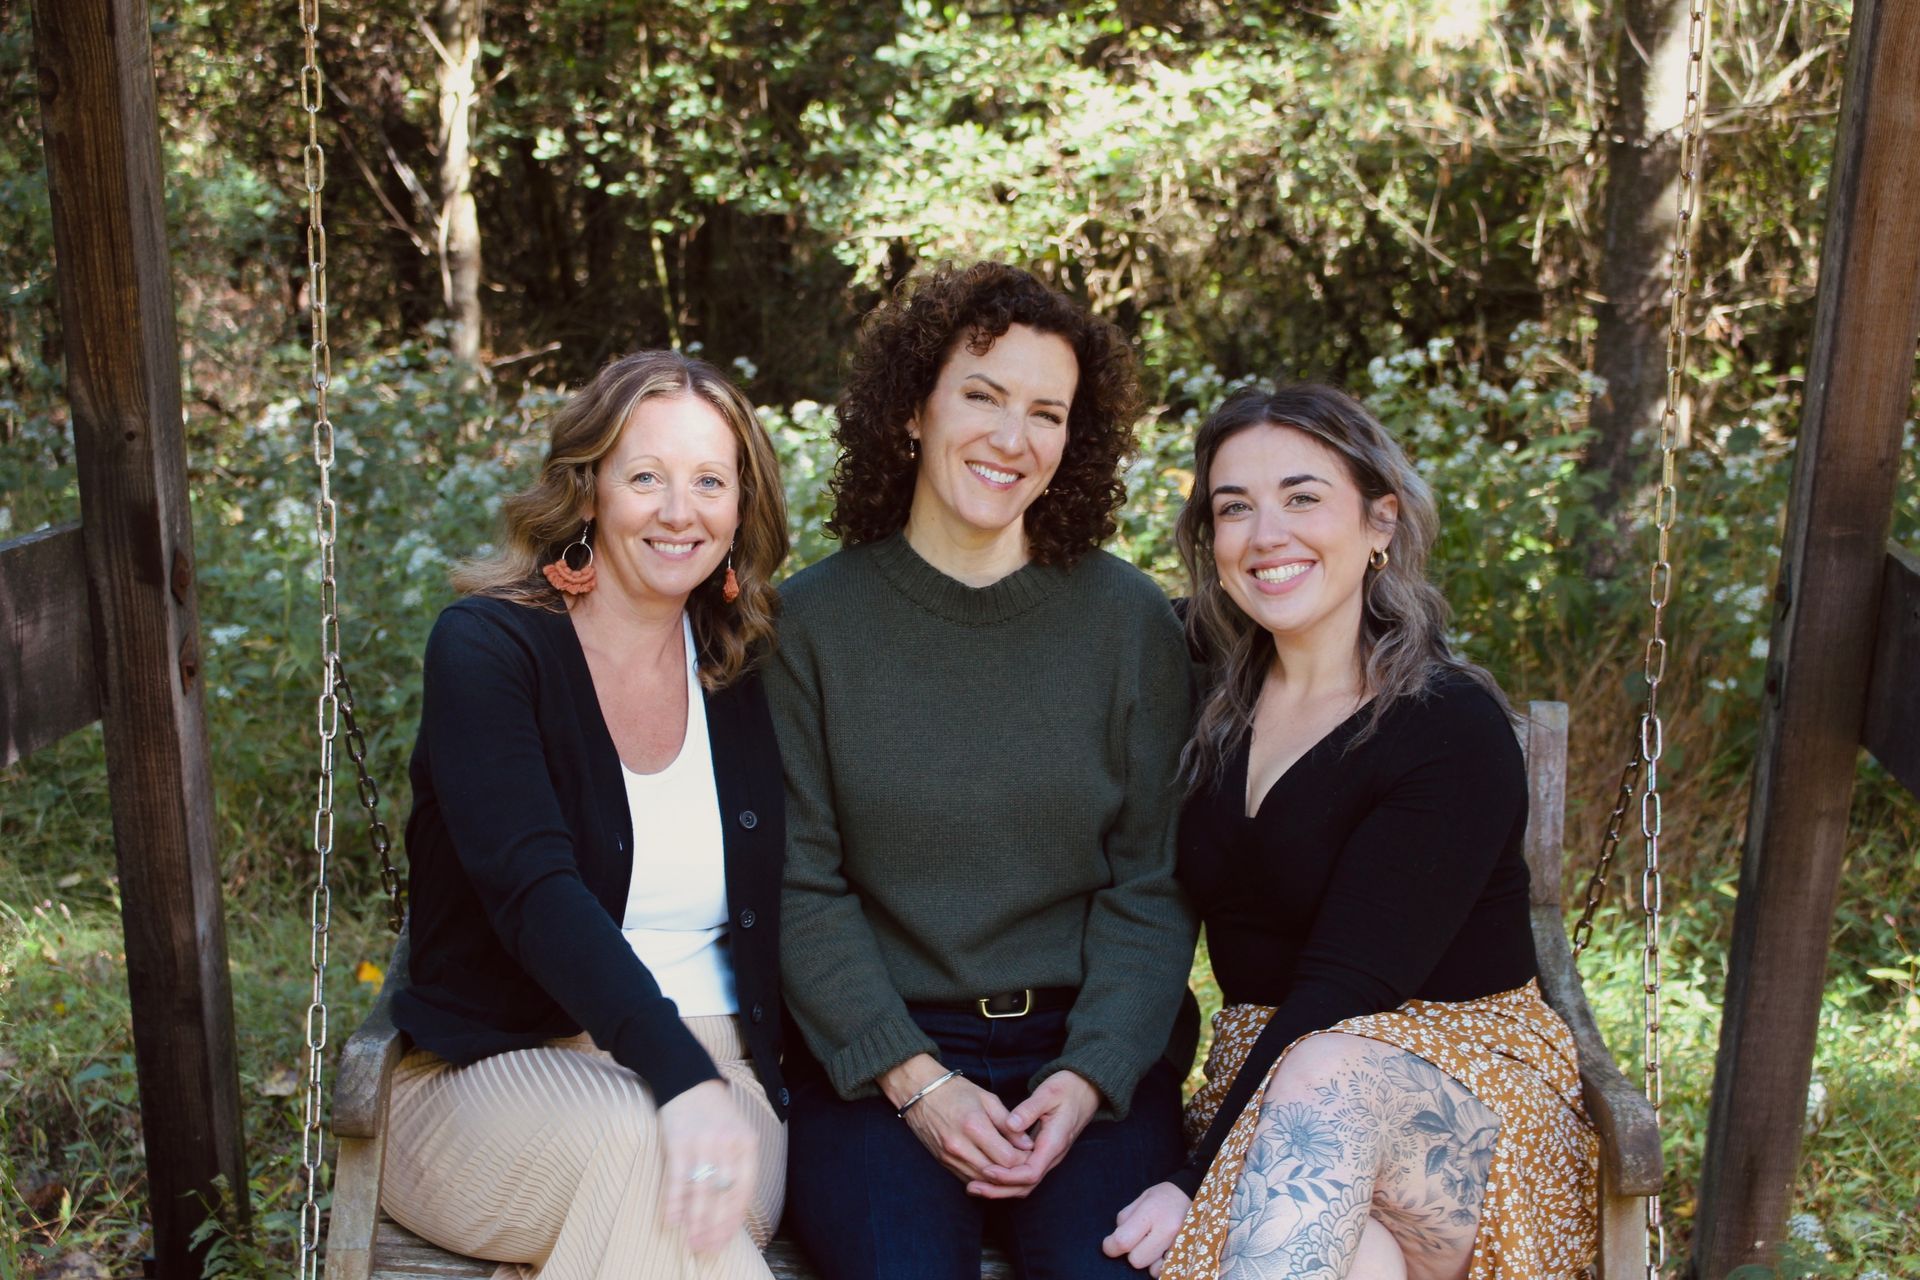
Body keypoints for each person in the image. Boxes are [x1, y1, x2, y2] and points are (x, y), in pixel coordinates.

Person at [1102, 385, 1597, 1280]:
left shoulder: (1444, 724)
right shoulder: (1207, 696)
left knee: (1327, 1074)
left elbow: (1346, 988)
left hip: (1467, 1112)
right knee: (1357, 1258)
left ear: (1380, 522)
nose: (1266, 535)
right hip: (1280, 1095)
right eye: (1234, 508)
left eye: (1302, 497)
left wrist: (1192, 1178)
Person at [768, 261, 1198, 1280]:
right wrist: (916, 1080)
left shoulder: (1131, 623)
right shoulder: (812, 626)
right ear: (914, 408)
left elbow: (1154, 881)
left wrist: (1090, 1074)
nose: (1013, 438)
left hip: (1090, 1058)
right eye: (983, 394)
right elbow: (801, 883)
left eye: (1047, 411)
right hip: (877, 1058)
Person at [380, 350, 792, 1280]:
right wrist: (672, 1078)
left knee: (665, 1187)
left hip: (729, 1081)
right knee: (645, 1152)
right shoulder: (489, 649)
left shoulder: (747, 669)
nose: (679, 510)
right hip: (489, 1076)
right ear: (590, 489)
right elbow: (533, 889)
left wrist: (699, 1082)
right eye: (646, 476)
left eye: (709, 482)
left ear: (741, 507)